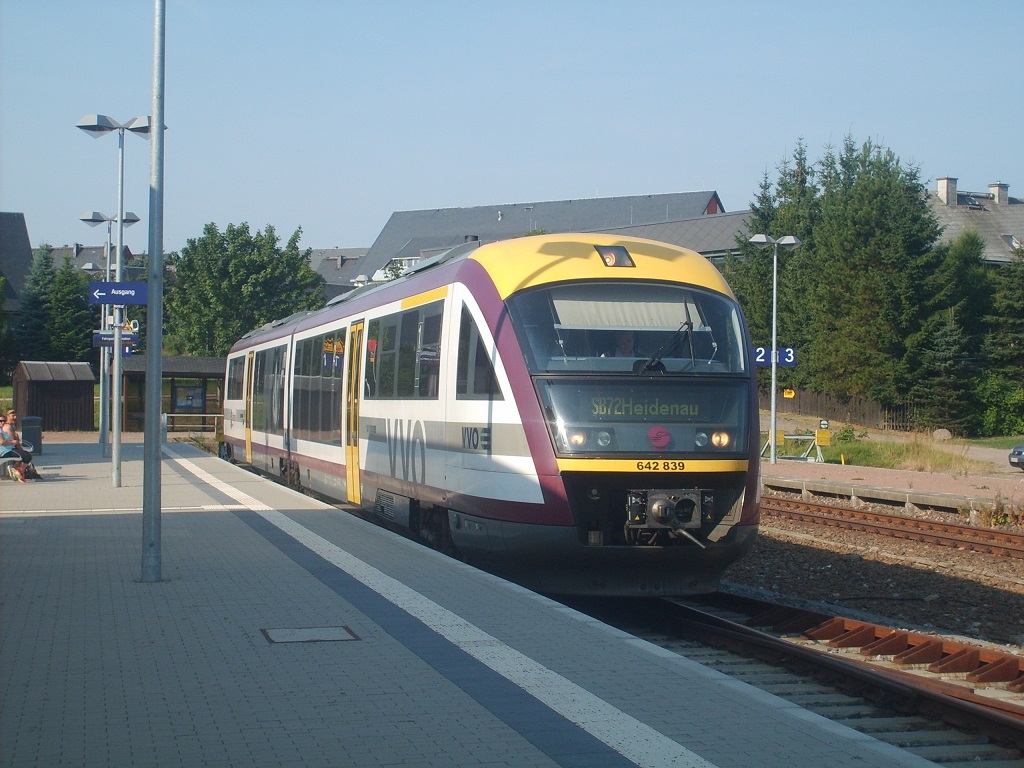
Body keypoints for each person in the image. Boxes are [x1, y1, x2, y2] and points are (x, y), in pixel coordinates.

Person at [2, 409, 39, 481]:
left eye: (15, 416)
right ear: (7, 416)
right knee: (28, 456)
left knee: (24, 456)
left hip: (9, 448)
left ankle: (17, 470)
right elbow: (14, 442)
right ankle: (19, 471)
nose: (15, 417)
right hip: (8, 450)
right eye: (13, 416)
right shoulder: (8, 427)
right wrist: (21, 448)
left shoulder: (11, 426)